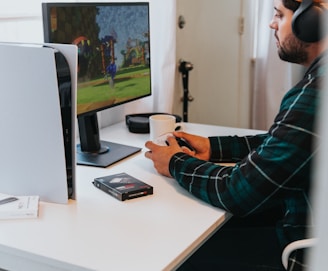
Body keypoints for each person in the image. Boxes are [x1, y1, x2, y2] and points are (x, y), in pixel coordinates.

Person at [145, 0, 328, 270]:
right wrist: (213, 148)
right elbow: (284, 144)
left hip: (302, 251)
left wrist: (174, 163)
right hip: (307, 228)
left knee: (172, 256)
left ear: (310, 21)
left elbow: (237, 192)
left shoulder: (316, 94)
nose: (271, 23)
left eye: (279, 14)